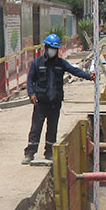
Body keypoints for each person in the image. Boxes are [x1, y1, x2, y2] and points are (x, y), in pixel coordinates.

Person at [23, 34, 93, 164]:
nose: (53, 51)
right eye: (51, 48)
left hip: (55, 102)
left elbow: (74, 71)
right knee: (35, 128)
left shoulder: (61, 63)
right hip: (40, 102)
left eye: (55, 49)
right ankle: (30, 153)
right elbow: (30, 80)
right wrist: (31, 94)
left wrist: (89, 76)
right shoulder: (37, 63)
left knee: (52, 128)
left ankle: (49, 152)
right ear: (46, 47)